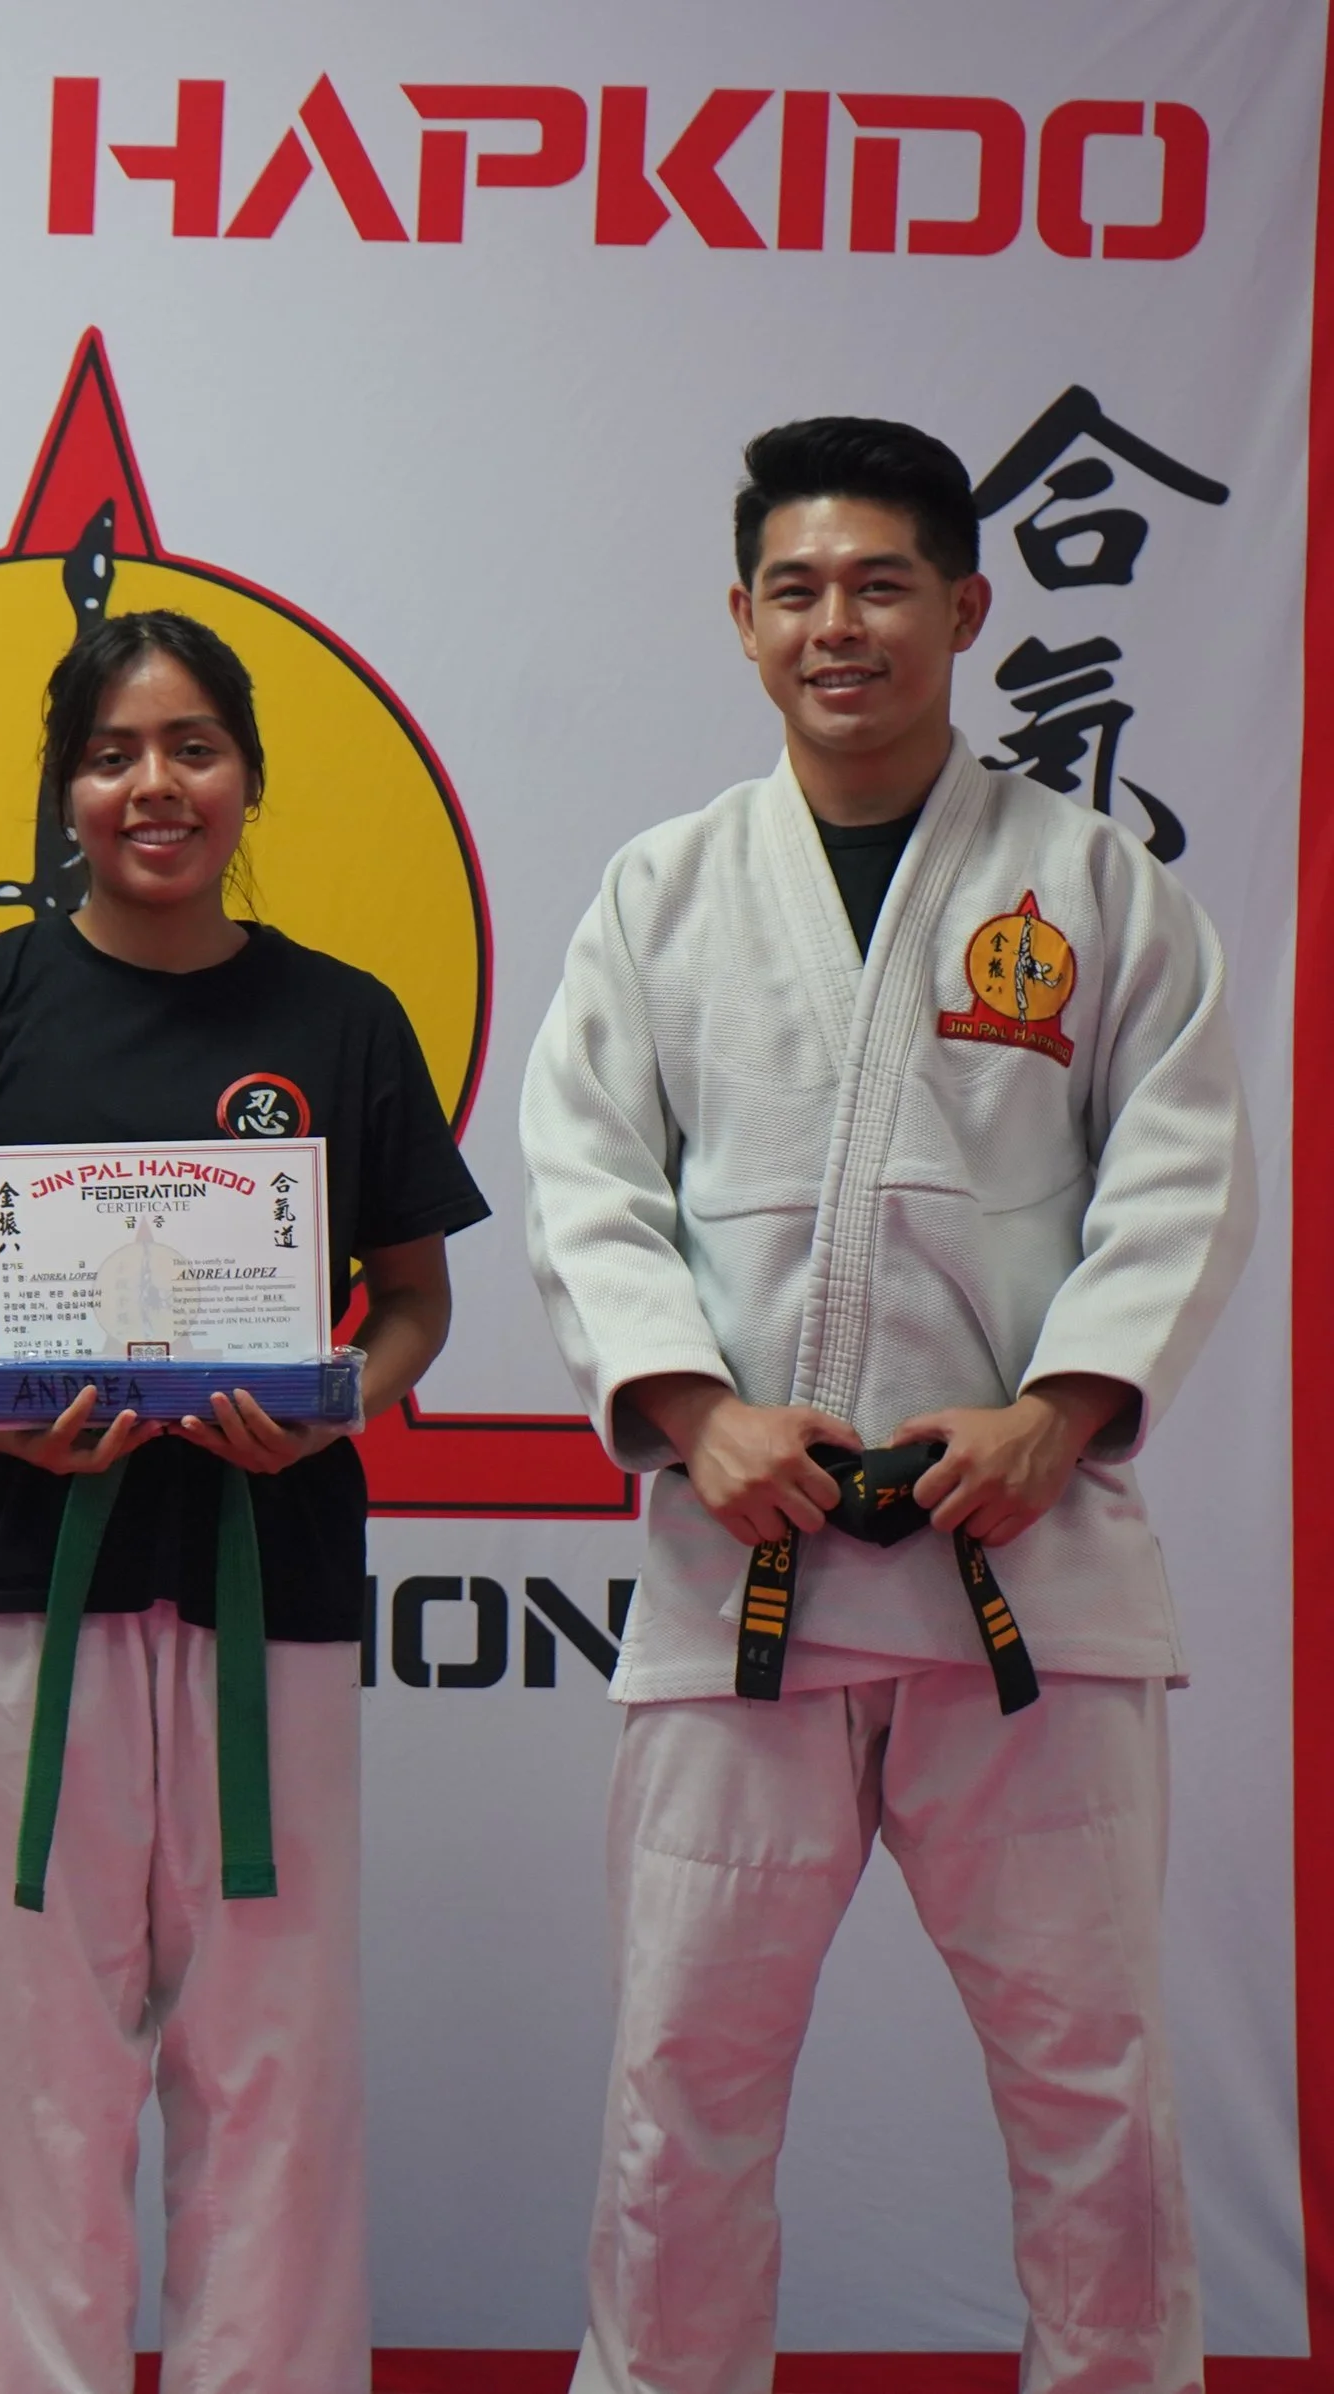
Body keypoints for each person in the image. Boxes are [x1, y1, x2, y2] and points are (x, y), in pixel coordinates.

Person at [520, 415, 1255, 2394]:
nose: (833, 624)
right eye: (795, 589)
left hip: (1023, 1576)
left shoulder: (1090, 885)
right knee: (679, 2087)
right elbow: (584, 1178)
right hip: (739, 1580)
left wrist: (1057, 1412)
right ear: (740, 620)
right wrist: (693, 1409)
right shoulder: (664, 891)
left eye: (877, 585)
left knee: (1091, 2091)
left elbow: (1179, 1172)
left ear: (965, 608)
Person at [0, 608, 489, 2394]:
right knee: (27, 2063)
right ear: (63, 789)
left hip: (274, 1574)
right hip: (22, 1576)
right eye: (110, 755)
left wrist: (335, 1405)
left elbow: (416, 1303)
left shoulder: (341, 1017)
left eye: (192, 747)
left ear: (248, 776)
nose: (152, 786)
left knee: (276, 2058)